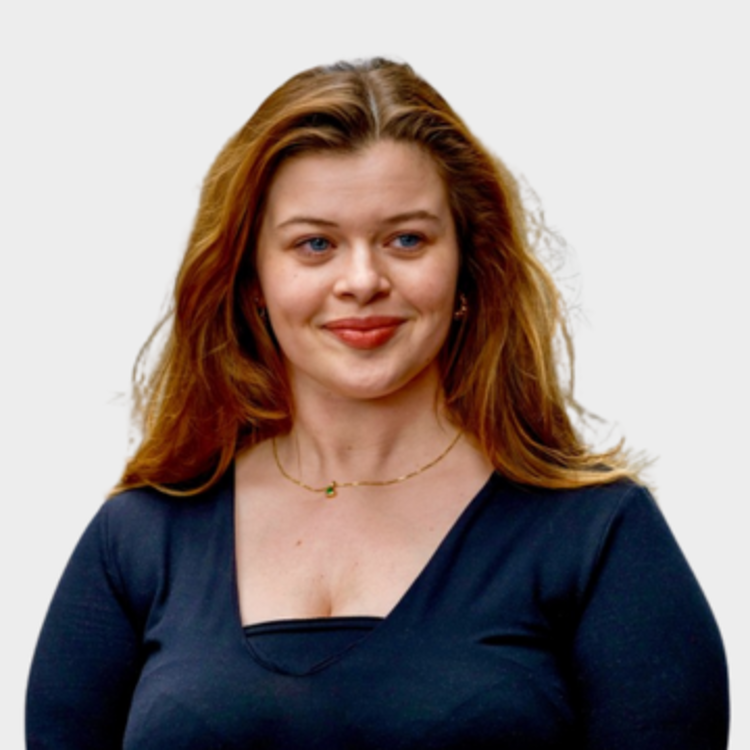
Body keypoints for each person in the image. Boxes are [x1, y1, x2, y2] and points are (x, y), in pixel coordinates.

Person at [26, 58, 729, 749]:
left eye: (406, 240)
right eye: (314, 244)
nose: (362, 280)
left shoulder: (596, 534)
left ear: (468, 266)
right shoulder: (140, 538)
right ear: (251, 280)